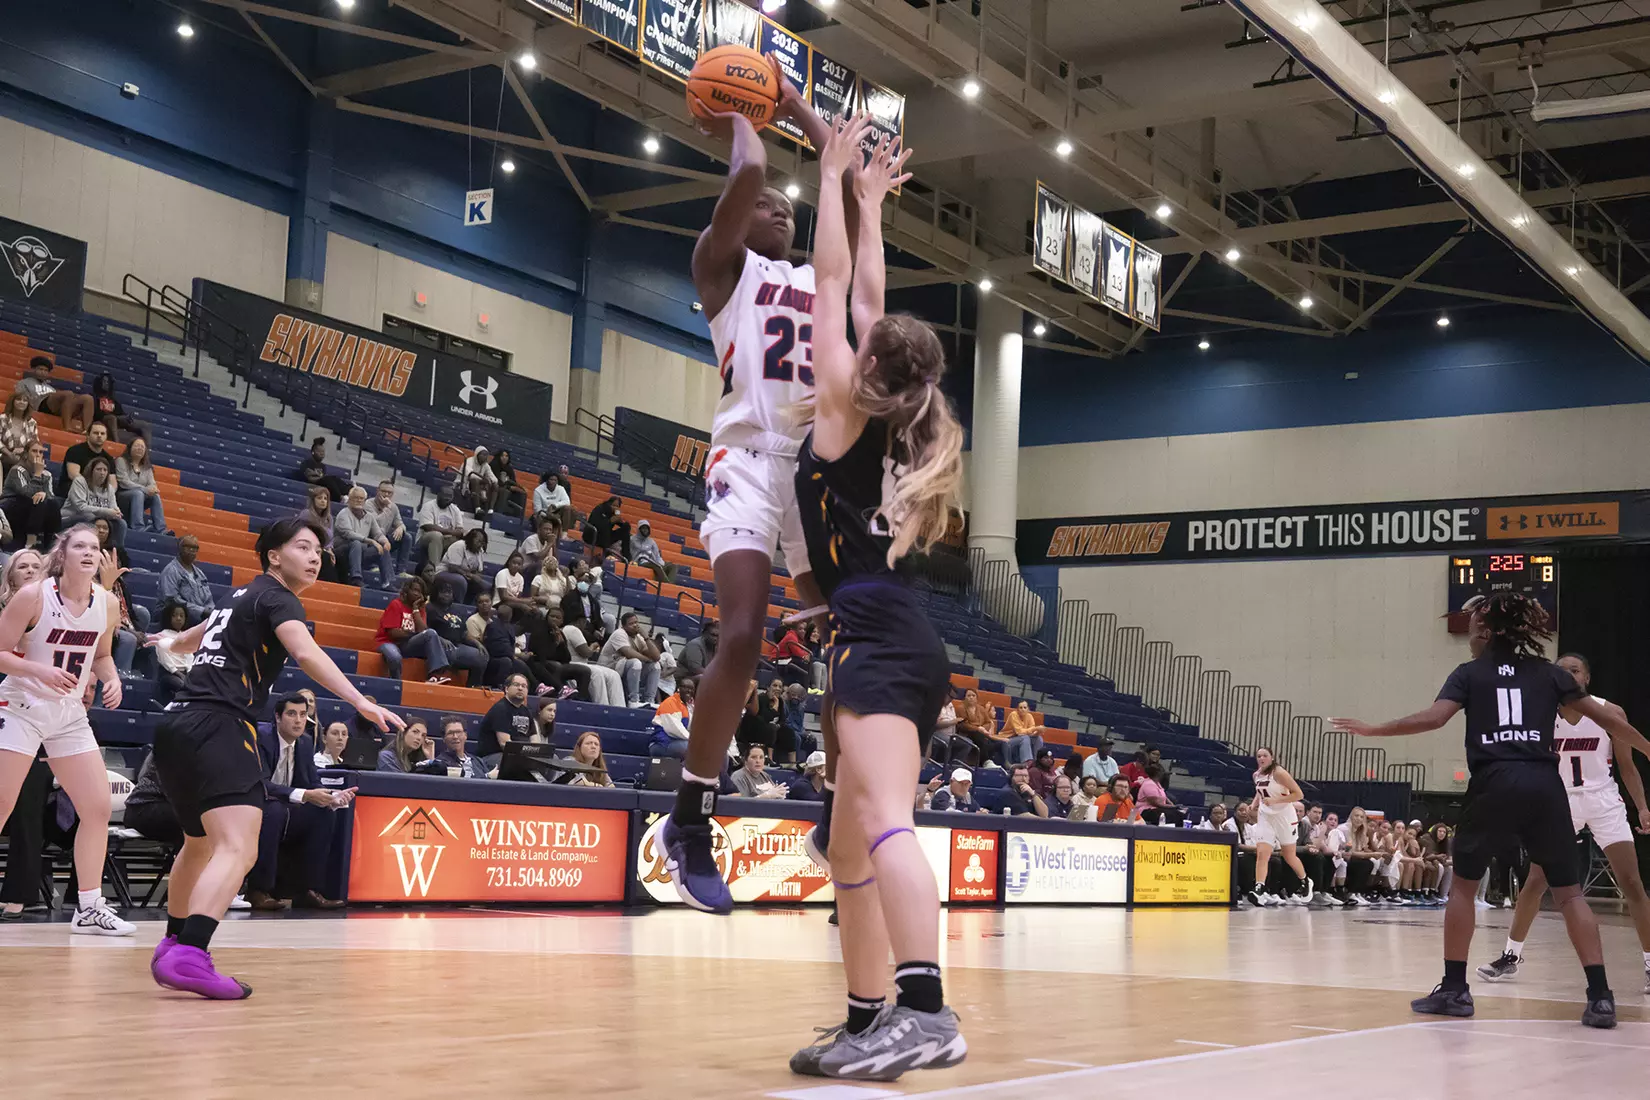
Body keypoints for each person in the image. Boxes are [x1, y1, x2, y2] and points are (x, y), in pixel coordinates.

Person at [776, 116, 966, 1079]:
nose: (846, 342)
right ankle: (864, 1018)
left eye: (860, 345)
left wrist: (830, 180)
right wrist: (871, 203)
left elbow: (834, 284)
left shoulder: (844, 413)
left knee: (888, 821)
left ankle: (927, 1013)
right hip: (891, 630)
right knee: (847, 850)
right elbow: (869, 296)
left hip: (879, 639)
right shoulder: (896, 416)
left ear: (869, 367)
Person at [660, 74, 849, 923]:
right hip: (745, 460)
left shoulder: (822, 279)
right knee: (739, 636)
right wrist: (741, 109)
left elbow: (844, 178)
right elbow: (745, 177)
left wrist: (801, 107)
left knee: (856, 642)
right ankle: (690, 818)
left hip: (814, 472)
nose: (779, 209)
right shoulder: (722, 267)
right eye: (768, 204)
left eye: (787, 207)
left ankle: (835, 813)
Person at [1330, 592, 1647, 1027]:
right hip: (1544, 784)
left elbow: (1434, 718)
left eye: (1475, 627)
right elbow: (1611, 721)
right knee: (1571, 893)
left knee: (1463, 887)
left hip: (1494, 782)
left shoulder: (1469, 673)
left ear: (1487, 631)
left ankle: (1455, 990)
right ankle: (1600, 997)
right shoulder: (1550, 674)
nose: (1470, 636)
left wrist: (1374, 729)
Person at [145, 517, 401, 998]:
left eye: (319, 550)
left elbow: (195, 635)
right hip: (220, 724)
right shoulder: (280, 598)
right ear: (274, 556)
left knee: (199, 844)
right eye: (303, 546)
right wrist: (360, 701)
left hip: (176, 725)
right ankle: (190, 954)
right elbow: (305, 653)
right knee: (240, 847)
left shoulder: (239, 597)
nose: (315, 556)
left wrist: (167, 642)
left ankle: (173, 942)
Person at [1476, 651, 1650, 995]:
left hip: (1603, 800)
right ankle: (1511, 955)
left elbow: (1627, 767)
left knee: (1631, 882)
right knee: (1536, 881)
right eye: (1562, 670)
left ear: (1586, 678)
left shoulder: (1609, 712)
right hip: (1560, 802)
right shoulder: (1539, 713)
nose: (1568, 675)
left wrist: (1642, 807)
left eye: (1575, 670)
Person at [0, 524, 135, 937]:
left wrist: (112, 678)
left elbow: (103, 655)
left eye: (95, 547)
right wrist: (38, 670)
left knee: (96, 808)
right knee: (2, 803)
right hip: (21, 706)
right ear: (62, 554)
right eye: (80, 546)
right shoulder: (33, 595)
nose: (89, 552)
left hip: (69, 713)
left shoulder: (107, 603)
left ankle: (90, 907)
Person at [247, 693, 348, 911]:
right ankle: (258, 890)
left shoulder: (304, 743)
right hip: (256, 804)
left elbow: (312, 782)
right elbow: (260, 783)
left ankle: (308, 891)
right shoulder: (261, 737)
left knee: (323, 813)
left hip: (287, 808)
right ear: (277, 717)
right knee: (274, 811)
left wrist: (331, 797)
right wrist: (305, 795)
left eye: (303, 715)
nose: (299, 720)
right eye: (292, 714)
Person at [1243, 747, 1310, 905]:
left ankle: (1305, 880)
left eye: (1265, 755)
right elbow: (1260, 792)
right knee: (1262, 853)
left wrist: (1275, 800)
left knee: (1288, 855)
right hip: (1266, 816)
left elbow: (1299, 794)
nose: (1261, 758)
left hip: (1284, 816)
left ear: (1272, 757)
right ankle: (1259, 887)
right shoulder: (1256, 775)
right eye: (1259, 756)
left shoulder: (1279, 773)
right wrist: (1253, 805)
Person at [376, 577, 462, 685]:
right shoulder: (396, 604)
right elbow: (393, 633)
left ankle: (435, 676)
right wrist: (414, 634)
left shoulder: (420, 609)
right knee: (395, 657)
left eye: (420, 592)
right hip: (388, 642)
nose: (417, 594)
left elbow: (423, 631)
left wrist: (415, 609)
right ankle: (396, 684)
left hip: (407, 644)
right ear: (407, 591)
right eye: (414, 590)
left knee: (432, 634)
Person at [425, 579, 490, 687]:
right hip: (439, 646)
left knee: (481, 656)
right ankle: (438, 677)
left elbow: (464, 633)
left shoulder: (457, 610)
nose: (447, 595)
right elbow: (425, 630)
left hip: (458, 645)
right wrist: (440, 639)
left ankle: (473, 686)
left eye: (449, 592)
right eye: (443, 592)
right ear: (436, 593)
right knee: (449, 652)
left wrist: (477, 643)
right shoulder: (430, 608)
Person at [2, 440, 61, 551]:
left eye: (40, 452)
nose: (38, 455)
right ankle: (30, 543)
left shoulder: (47, 474)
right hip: (11, 504)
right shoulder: (17, 470)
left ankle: (52, 543)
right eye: (34, 451)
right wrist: (37, 474)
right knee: (37, 500)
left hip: (33, 507)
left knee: (52, 503)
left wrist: (44, 494)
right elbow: (27, 493)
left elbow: (51, 496)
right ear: (26, 454)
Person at [558, 609, 625, 707]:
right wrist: (593, 646)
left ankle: (619, 707)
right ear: (580, 621)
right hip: (573, 663)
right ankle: (602, 706)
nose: (585, 625)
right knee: (597, 673)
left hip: (581, 663)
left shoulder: (570, 629)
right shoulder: (572, 629)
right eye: (585, 622)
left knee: (614, 675)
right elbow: (586, 653)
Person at [524, 607, 590, 701]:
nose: (554, 619)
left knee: (585, 671)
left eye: (557, 617)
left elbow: (567, 659)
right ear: (547, 617)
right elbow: (541, 655)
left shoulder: (560, 634)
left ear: (562, 621)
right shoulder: (539, 631)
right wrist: (555, 644)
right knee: (556, 666)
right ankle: (558, 692)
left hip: (559, 664)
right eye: (552, 616)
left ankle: (581, 699)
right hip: (541, 663)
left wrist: (561, 644)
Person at [63, 454, 127, 550]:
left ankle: (116, 552)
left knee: (121, 523)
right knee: (90, 517)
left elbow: (113, 508)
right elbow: (80, 507)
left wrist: (116, 513)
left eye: (105, 470)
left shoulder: (109, 488)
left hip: (95, 519)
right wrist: (107, 511)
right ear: (91, 470)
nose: (102, 473)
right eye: (99, 469)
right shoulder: (80, 482)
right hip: (72, 517)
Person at [599, 611, 662, 707]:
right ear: (623, 626)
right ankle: (633, 700)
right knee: (636, 662)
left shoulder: (638, 637)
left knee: (655, 666)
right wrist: (647, 659)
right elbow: (629, 653)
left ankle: (650, 701)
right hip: (609, 668)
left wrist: (646, 638)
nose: (635, 625)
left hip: (623, 669)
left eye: (636, 622)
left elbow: (657, 657)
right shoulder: (619, 633)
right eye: (631, 623)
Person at [334, 486, 393, 589]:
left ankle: (387, 582)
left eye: (361, 498)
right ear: (349, 499)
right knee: (356, 543)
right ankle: (356, 579)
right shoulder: (343, 514)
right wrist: (370, 541)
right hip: (342, 552)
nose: (359, 500)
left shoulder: (369, 516)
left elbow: (378, 534)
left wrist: (385, 541)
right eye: (356, 497)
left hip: (360, 552)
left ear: (365, 501)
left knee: (383, 549)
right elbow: (348, 534)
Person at [17, 356, 93, 432]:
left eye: (46, 370)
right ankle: (67, 427)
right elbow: (20, 397)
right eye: (40, 369)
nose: (43, 372)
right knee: (68, 394)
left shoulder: (50, 388)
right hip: (40, 404)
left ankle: (88, 431)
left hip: (56, 407)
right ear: (33, 369)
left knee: (88, 398)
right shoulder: (24, 383)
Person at [114, 434, 167, 535]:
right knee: (138, 493)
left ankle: (161, 529)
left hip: (140, 499)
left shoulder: (147, 467)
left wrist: (153, 489)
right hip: (122, 497)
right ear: (130, 448)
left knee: (155, 496)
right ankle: (138, 527)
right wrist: (144, 489)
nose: (140, 448)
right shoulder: (121, 461)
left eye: (142, 447)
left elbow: (152, 483)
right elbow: (124, 482)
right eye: (137, 445)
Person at [159, 535, 215, 625]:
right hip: (176, 619)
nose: (192, 551)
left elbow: (208, 599)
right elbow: (172, 600)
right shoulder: (170, 571)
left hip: (200, 619)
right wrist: (201, 611)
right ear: (180, 548)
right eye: (188, 547)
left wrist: (211, 611)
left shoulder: (200, 574)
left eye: (195, 548)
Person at [57, 420, 116, 499]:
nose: (99, 436)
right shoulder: (75, 451)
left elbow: (113, 482)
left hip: (97, 492)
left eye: (102, 434)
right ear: (88, 435)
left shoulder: (108, 458)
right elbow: (73, 475)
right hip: (74, 487)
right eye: (96, 433)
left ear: (106, 437)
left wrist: (107, 494)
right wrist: (93, 489)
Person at [478, 673, 536, 753]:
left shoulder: (527, 711)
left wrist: (536, 753)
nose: (520, 688)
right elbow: (505, 744)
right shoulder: (500, 709)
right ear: (507, 689)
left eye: (524, 686)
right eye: (516, 685)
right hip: (496, 754)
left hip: (520, 754)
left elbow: (535, 741)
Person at [366, 481, 412, 580]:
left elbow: (401, 524)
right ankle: (373, 566)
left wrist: (400, 528)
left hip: (385, 542)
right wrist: (387, 508)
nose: (386, 494)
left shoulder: (393, 507)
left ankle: (401, 571)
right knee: (380, 533)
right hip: (370, 541)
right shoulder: (368, 504)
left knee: (406, 537)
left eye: (389, 492)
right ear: (377, 491)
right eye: (383, 491)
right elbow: (375, 524)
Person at [152, 600, 194, 705]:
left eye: (181, 616)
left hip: (185, 673)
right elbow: (164, 659)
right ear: (168, 617)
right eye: (175, 615)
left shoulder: (186, 636)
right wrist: (178, 673)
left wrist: (189, 673)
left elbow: (189, 656)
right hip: (168, 674)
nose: (178, 618)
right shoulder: (162, 635)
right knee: (181, 685)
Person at [415, 485, 465, 571]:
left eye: (449, 497)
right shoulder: (428, 506)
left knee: (461, 541)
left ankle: (455, 569)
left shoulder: (455, 509)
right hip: (426, 539)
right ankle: (435, 569)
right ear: (438, 495)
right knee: (436, 535)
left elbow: (460, 530)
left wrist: (453, 533)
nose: (447, 499)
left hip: (446, 539)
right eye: (445, 496)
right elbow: (428, 527)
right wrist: (451, 532)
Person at [90, 371, 150, 442]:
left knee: (145, 425)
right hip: (103, 423)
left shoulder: (114, 402)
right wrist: (117, 418)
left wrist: (126, 418)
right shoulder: (94, 398)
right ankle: (116, 444)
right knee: (112, 418)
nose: (106, 383)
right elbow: (97, 415)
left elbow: (121, 414)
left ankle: (146, 448)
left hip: (117, 423)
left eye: (108, 382)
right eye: (104, 381)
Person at [292, 436, 351, 505]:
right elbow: (309, 477)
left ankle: (351, 491)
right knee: (328, 479)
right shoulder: (307, 462)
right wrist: (321, 478)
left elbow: (322, 478)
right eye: (319, 451)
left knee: (335, 478)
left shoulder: (323, 466)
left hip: (321, 484)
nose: (322, 453)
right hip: (312, 485)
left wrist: (321, 477)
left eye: (323, 452)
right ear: (313, 452)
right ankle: (340, 498)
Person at [438, 528, 487, 604]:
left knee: (483, 585)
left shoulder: (479, 551)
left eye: (482, 542)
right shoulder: (460, 545)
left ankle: (468, 606)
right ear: (471, 538)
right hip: (445, 572)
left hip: (465, 576)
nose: (480, 544)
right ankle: (459, 605)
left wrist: (477, 577)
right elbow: (452, 567)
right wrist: (469, 575)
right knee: (461, 580)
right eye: (478, 541)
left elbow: (479, 570)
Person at [651, 678, 695, 759]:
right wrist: (694, 740)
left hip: (678, 741)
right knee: (691, 748)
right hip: (662, 744)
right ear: (678, 689)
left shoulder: (689, 706)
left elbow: (694, 727)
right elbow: (675, 729)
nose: (689, 691)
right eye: (685, 687)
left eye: (691, 689)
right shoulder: (670, 703)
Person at [0, 389, 40, 475]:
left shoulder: (32, 423)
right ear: (13, 402)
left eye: (25, 400)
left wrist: (23, 450)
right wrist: (9, 453)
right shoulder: (3, 418)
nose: (21, 402)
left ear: (28, 404)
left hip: (22, 457)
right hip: (3, 455)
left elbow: (34, 443)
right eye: (18, 399)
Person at [954, 689, 997, 766]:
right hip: (966, 733)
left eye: (973, 695)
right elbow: (962, 725)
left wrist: (982, 728)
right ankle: (986, 761)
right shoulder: (960, 708)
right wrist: (978, 728)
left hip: (981, 732)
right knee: (979, 736)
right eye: (969, 695)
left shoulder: (981, 709)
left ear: (977, 698)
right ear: (964, 698)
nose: (971, 697)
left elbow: (988, 722)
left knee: (994, 743)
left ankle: (987, 763)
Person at [457, 446, 500, 520]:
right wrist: (484, 480)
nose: (485, 457)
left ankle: (490, 510)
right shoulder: (469, 461)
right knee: (475, 480)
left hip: (478, 486)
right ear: (477, 454)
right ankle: (477, 508)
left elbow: (494, 479)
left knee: (495, 485)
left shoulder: (486, 465)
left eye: (486, 455)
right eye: (483, 454)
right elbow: (471, 475)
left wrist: (490, 481)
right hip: (464, 484)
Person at [583, 495, 629, 561]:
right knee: (605, 531)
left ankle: (626, 556)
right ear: (609, 503)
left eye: (617, 506)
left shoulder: (614, 513)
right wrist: (610, 521)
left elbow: (621, 523)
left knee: (626, 527)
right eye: (613, 505)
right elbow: (596, 525)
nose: (615, 508)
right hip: (593, 535)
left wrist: (620, 520)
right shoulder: (600, 509)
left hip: (606, 538)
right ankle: (606, 553)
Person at [492, 551, 535, 621]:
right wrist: (524, 601)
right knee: (512, 609)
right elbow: (504, 597)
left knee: (534, 611)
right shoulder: (502, 573)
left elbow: (518, 597)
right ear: (509, 563)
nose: (516, 565)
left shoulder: (521, 578)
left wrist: (526, 602)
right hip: (500, 602)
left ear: (522, 566)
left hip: (513, 602)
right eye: (514, 563)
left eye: (519, 564)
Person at [629, 519, 675, 584]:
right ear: (639, 529)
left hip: (651, 562)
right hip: (639, 562)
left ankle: (670, 584)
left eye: (647, 528)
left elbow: (657, 555)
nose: (645, 530)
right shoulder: (632, 539)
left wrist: (661, 564)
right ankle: (667, 585)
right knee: (656, 566)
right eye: (643, 528)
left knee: (673, 566)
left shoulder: (651, 541)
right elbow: (627, 551)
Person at [1003, 701, 1046, 765]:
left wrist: (1038, 732)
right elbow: (1019, 732)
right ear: (1017, 709)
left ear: (1028, 709)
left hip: (1021, 738)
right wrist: (1035, 728)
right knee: (1025, 738)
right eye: (1020, 708)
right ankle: (1026, 763)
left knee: (1038, 738)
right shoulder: (1013, 714)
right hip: (1008, 739)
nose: (1023, 709)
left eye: (1025, 707)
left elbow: (1031, 734)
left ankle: (1037, 763)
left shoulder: (1029, 716)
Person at [490, 448, 525, 518]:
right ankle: (498, 514)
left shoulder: (509, 468)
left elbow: (513, 481)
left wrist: (517, 487)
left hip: (505, 487)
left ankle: (517, 517)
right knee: (504, 491)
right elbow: (495, 479)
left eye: (506, 456)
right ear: (498, 456)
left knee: (521, 493)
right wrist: (509, 487)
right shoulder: (494, 464)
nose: (504, 458)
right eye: (502, 456)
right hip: (493, 486)